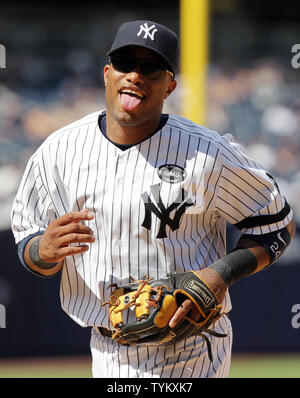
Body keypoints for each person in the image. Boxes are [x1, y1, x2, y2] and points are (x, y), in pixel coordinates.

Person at [11, 20, 295, 378]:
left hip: (191, 348)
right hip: (106, 351)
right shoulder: (59, 151)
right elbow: (28, 243)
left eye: (150, 67)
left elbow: (278, 225)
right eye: (125, 63)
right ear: (106, 73)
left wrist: (219, 274)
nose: (134, 75)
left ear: (169, 85)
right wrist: (42, 251)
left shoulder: (208, 153)